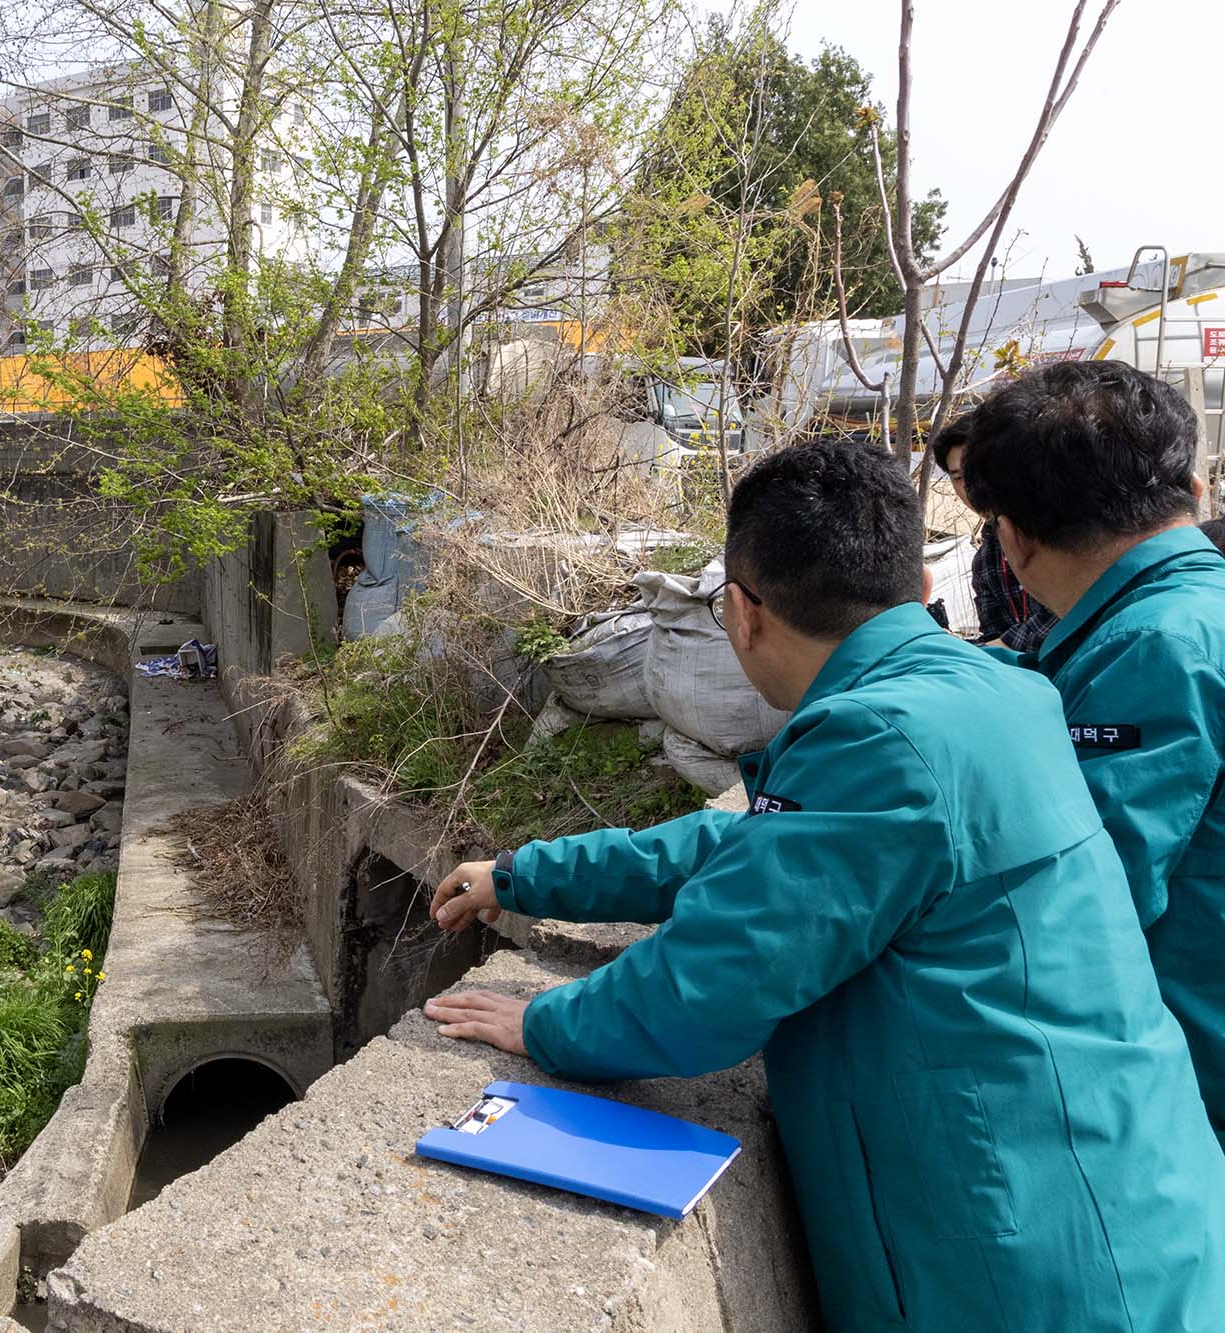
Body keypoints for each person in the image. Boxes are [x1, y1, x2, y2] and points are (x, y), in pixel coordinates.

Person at [425, 439, 1225, 1332]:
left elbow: (705, 987)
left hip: (1024, 1267)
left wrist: (545, 1022)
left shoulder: (876, 736)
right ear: (919, 582)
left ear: (741, 613)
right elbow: (764, 848)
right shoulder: (991, 689)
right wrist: (533, 874)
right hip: (1135, 1209)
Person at [953, 359, 1225, 1145]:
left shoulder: (1153, 650)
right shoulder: (1191, 615)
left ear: (1016, 538)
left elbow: (1081, 904)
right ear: (1196, 493)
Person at [932, 420, 1055, 651]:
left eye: (977, 470)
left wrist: (990, 650)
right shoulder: (985, 557)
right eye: (957, 477)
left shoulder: (1061, 528)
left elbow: (1067, 618)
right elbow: (994, 634)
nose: (969, 486)